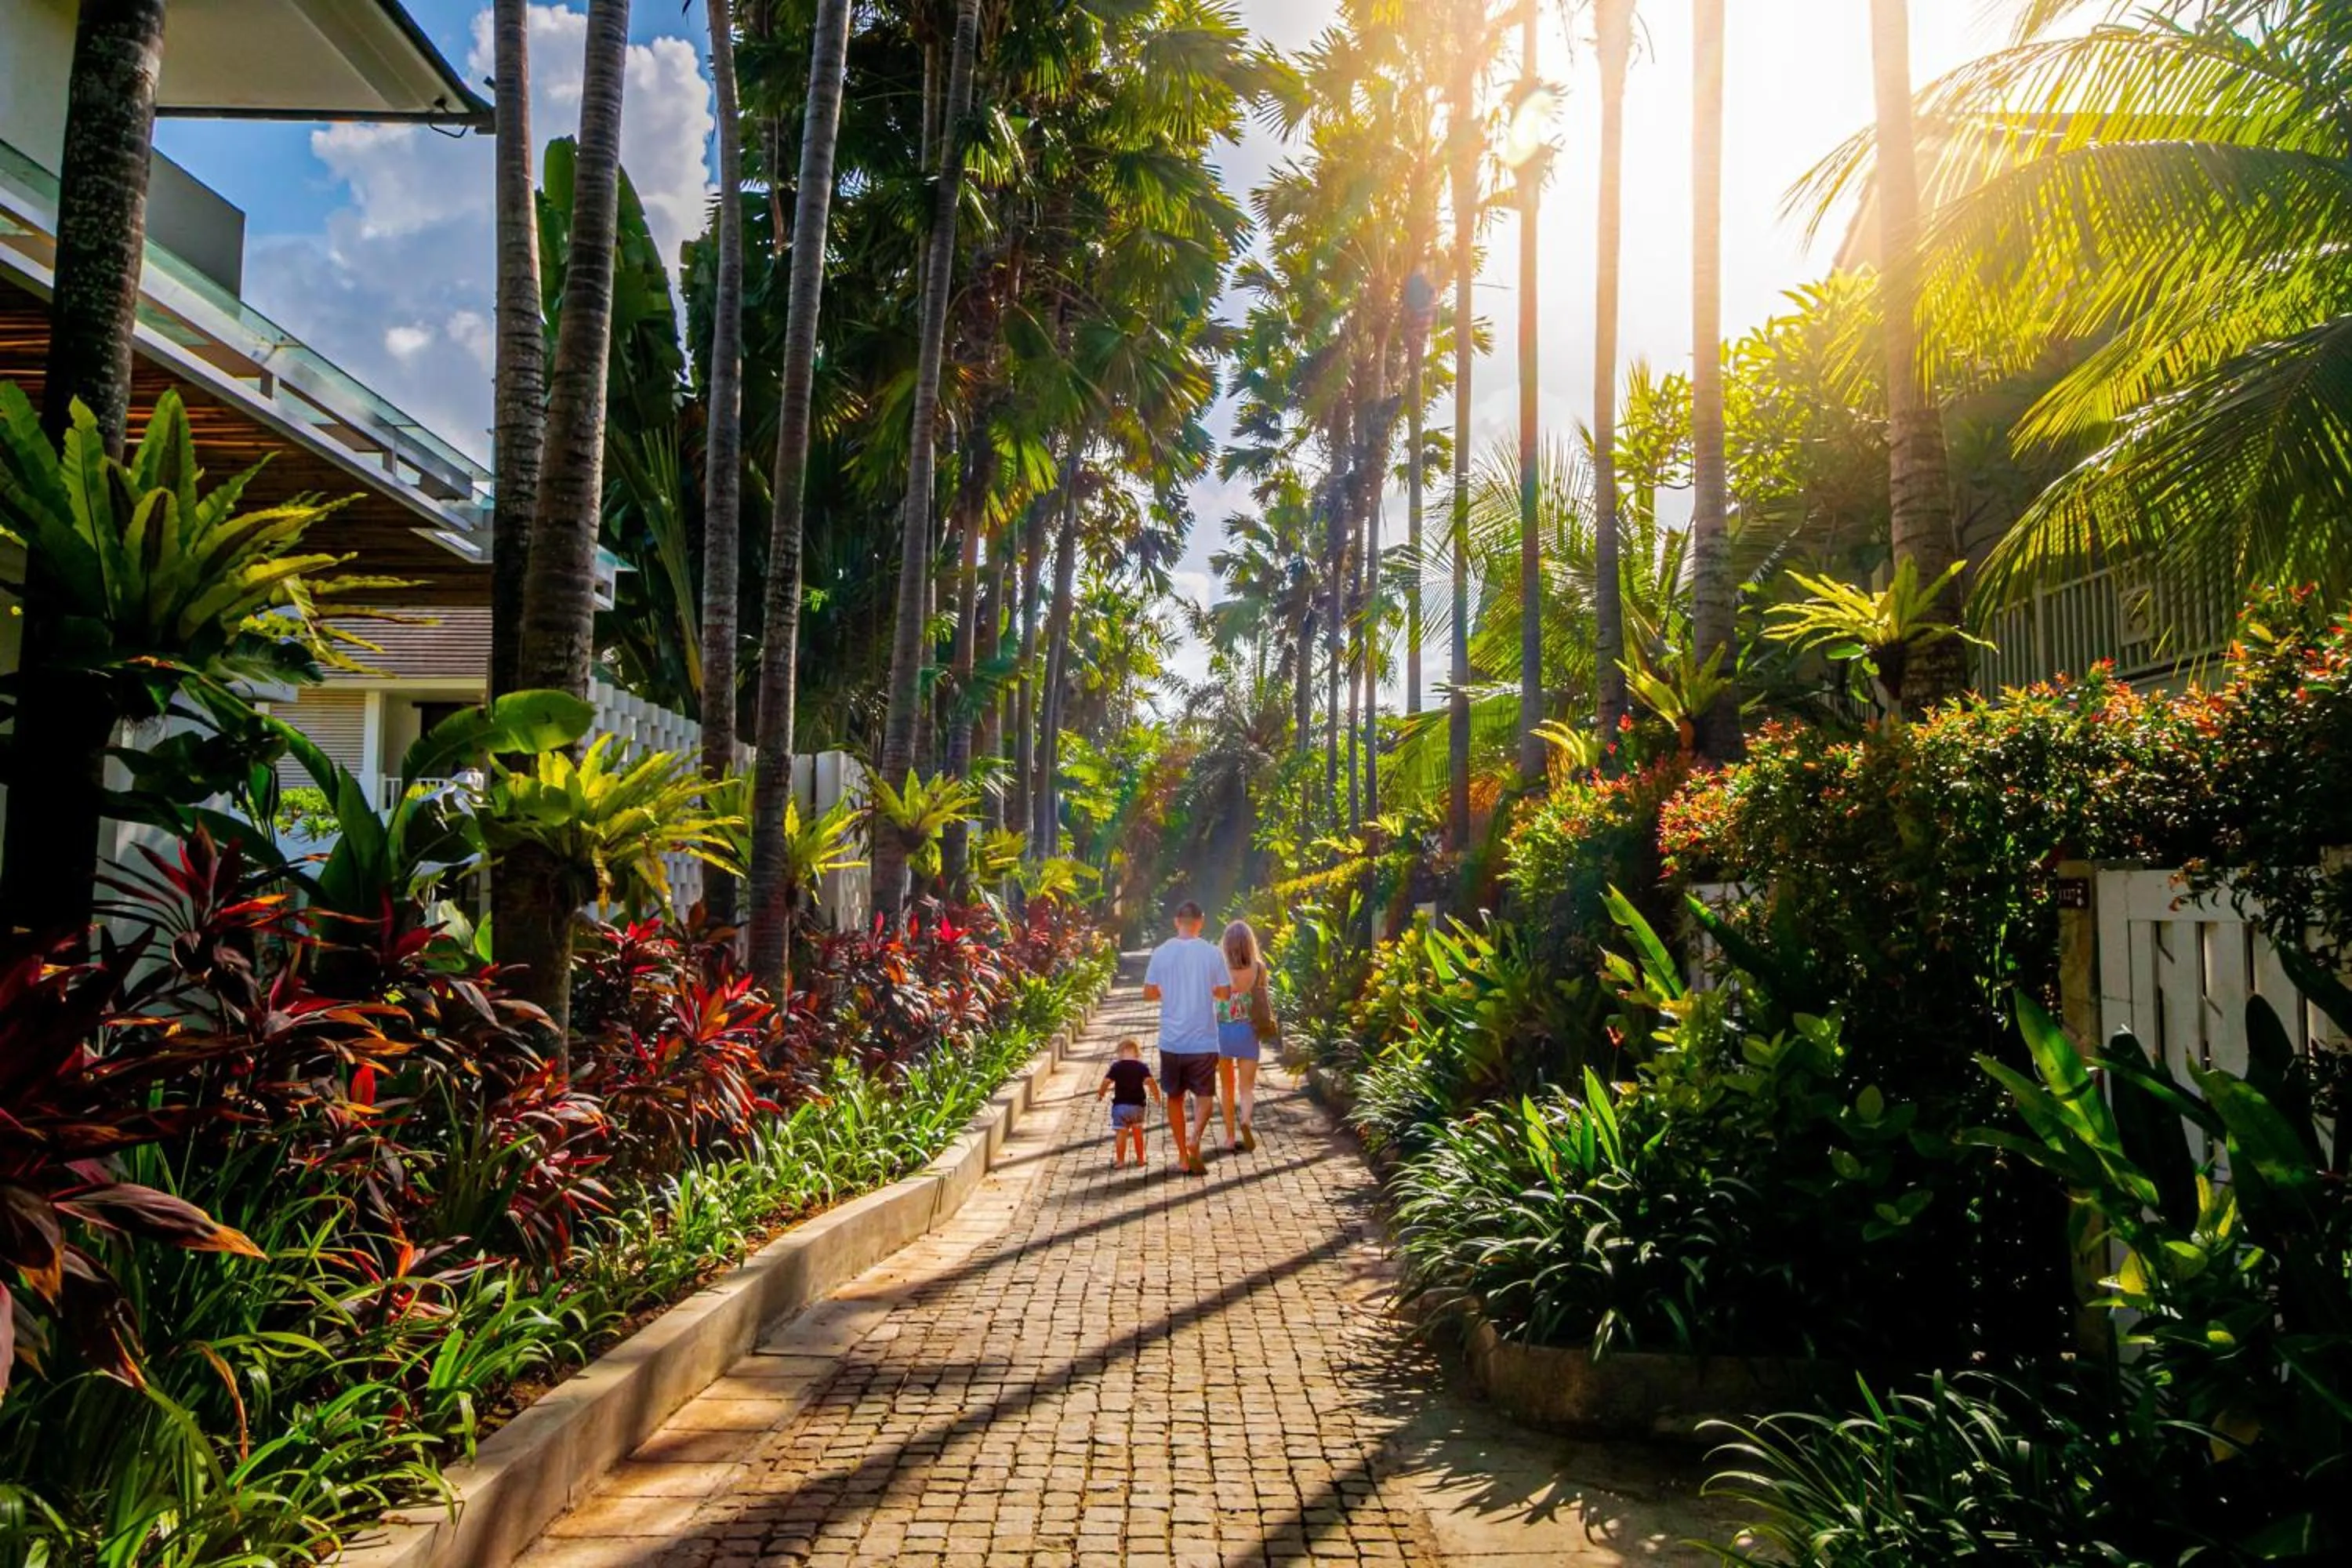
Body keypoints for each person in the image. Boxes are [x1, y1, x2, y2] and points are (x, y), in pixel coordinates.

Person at [1142, 899, 1225, 1176]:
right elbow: (1225, 993)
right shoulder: (1212, 953)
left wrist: (1168, 992)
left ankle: (1182, 1155)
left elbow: (1148, 993)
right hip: (1204, 1039)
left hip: (1172, 1040)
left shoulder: (1161, 953)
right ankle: (1195, 1139)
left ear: (1176, 922)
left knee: (1174, 1098)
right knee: (1205, 1095)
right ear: (1201, 922)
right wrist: (1206, 989)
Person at [1214, 920, 1272, 1152]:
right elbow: (1262, 997)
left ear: (1226, 943)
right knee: (1247, 1088)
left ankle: (1230, 1137)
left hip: (1223, 1033)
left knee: (1227, 1088)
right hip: (1248, 1032)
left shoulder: (1219, 967)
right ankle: (1246, 1120)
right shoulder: (1259, 968)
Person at [1096, 1038, 1162, 1167]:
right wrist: (1157, 1095)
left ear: (1120, 1054)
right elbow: (1150, 1081)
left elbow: (1106, 1081)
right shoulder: (1142, 1067)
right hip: (1137, 1106)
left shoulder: (1116, 1067)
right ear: (1137, 1054)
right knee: (1138, 1133)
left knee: (1121, 1134)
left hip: (1120, 1107)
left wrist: (1101, 1093)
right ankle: (1141, 1159)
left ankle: (1120, 1161)